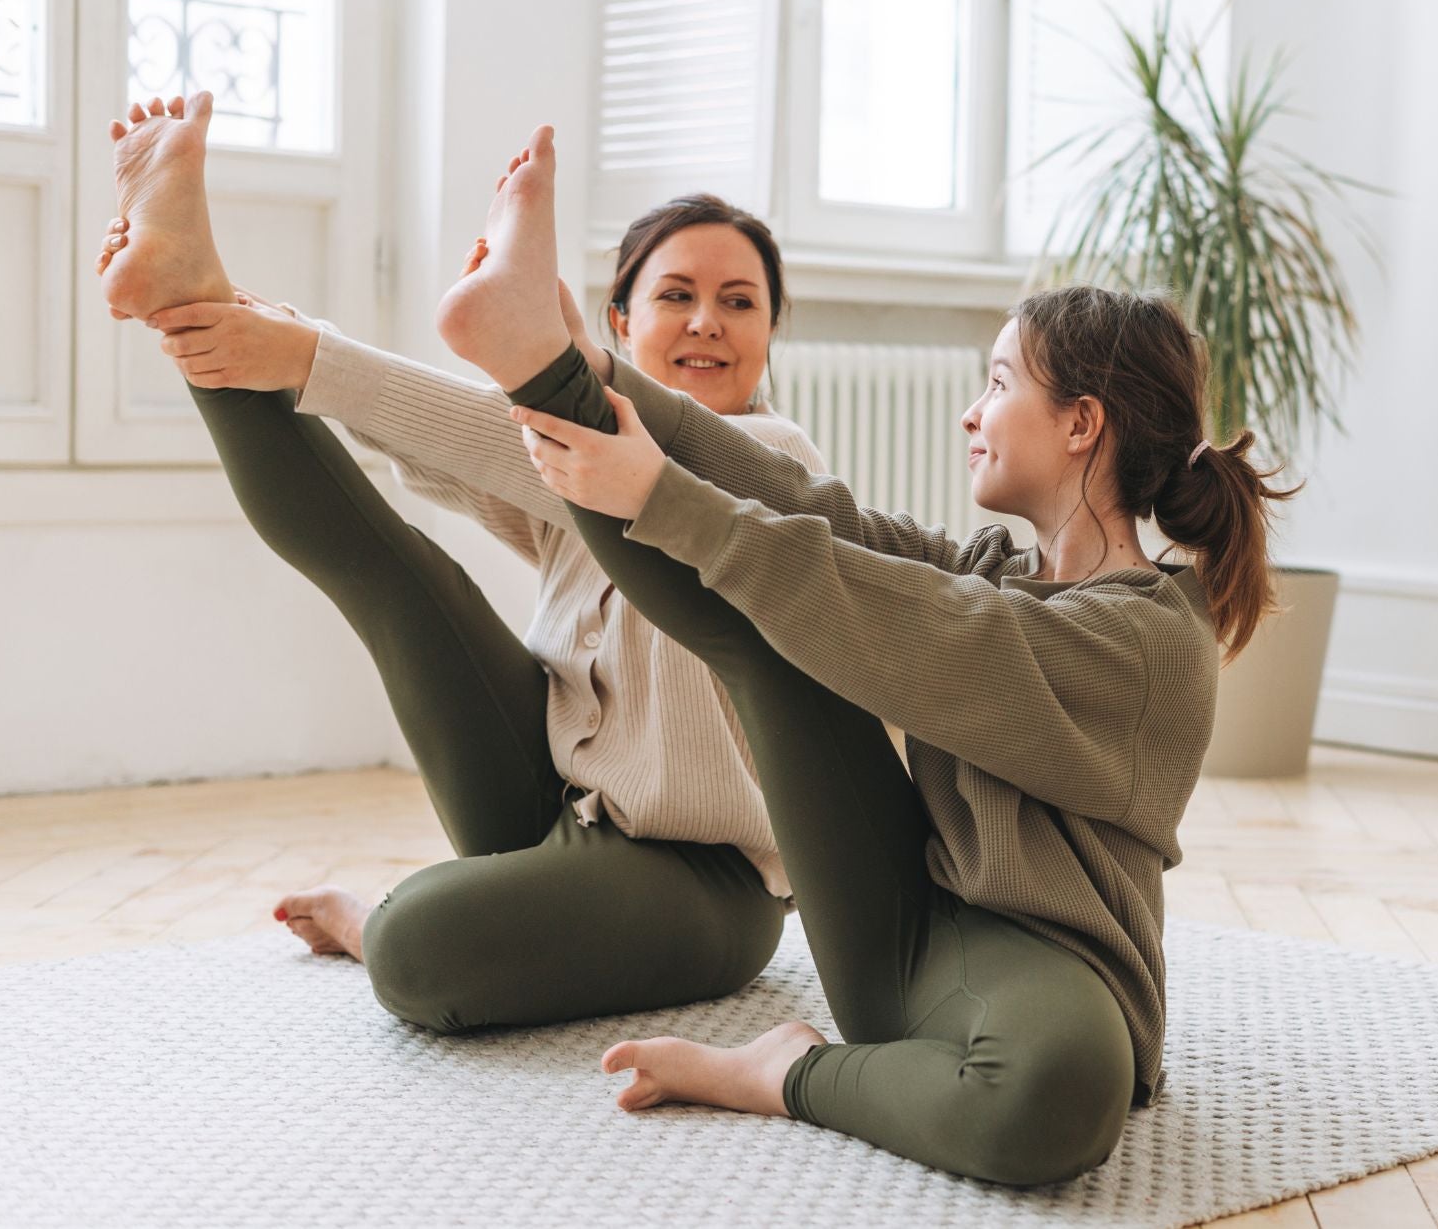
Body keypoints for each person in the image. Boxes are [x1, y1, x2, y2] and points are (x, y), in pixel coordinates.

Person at [435, 124, 1300, 1185]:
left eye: (996, 385)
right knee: (780, 602)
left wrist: (658, 499)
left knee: (1051, 1095)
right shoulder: (997, 566)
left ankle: (781, 1071)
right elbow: (806, 508)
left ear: (1080, 424)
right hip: (888, 928)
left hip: (1044, 965)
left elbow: (921, 625)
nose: (970, 413)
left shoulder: (1145, 640)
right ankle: (536, 351)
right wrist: (590, 371)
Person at [94, 92, 832, 1034]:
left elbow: (497, 438)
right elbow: (453, 452)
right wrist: (248, 325)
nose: (706, 323)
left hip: (706, 881)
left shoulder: (782, 465)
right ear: (619, 321)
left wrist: (309, 351)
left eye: (739, 302)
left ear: (771, 332)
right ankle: (183, 289)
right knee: (401, 579)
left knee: (409, 947)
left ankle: (382, 924)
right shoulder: (574, 457)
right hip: (550, 798)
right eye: (675, 296)